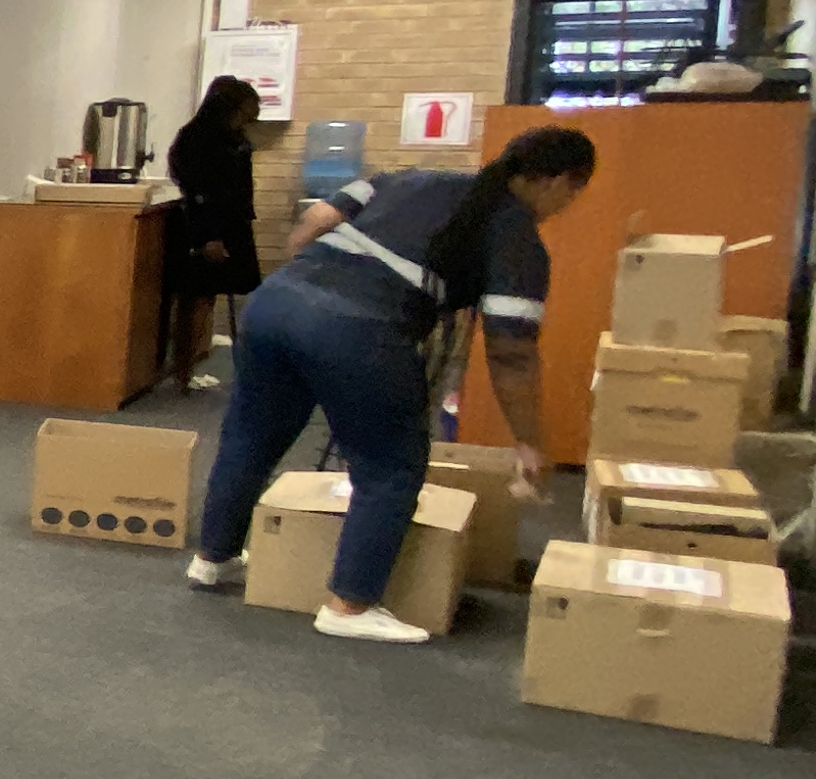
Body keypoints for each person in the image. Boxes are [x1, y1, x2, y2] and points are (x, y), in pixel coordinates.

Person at [182, 125, 599, 641]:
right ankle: (349, 606)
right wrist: (529, 441)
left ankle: (213, 558)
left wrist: (311, 290)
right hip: (359, 328)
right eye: (573, 193)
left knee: (251, 437)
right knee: (391, 467)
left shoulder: (413, 178)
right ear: (557, 182)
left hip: (275, 304)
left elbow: (314, 222)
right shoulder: (517, 238)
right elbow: (511, 352)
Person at [162, 74, 266, 389]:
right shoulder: (197, 138)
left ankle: (193, 363)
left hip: (233, 223)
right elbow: (198, 190)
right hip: (207, 225)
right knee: (197, 296)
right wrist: (208, 236)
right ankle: (183, 369)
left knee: (210, 295)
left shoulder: (235, 137)